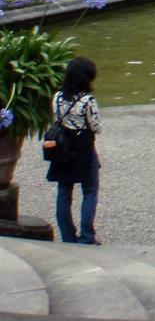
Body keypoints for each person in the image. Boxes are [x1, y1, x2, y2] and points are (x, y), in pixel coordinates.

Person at [46, 57, 100, 245]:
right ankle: (86, 236)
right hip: (83, 146)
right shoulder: (88, 101)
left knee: (64, 191)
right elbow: (96, 126)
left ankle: (67, 236)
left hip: (63, 147)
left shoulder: (58, 97)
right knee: (90, 190)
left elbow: (56, 118)